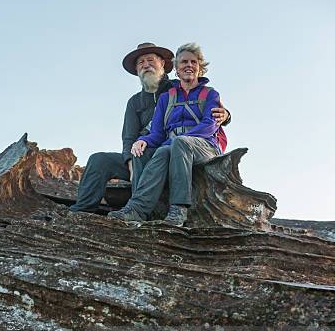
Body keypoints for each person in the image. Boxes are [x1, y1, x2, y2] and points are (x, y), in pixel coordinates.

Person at [70, 42, 230, 213]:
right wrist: (129, 160)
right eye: (140, 63)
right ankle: (82, 210)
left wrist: (226, 115)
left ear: (164, 64)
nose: (146, 65)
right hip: (148, 149)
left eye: (150, 60)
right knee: (100, 159)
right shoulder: (134, 102)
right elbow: (129, 137)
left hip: (175, 148)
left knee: (154, 152)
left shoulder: (177, 87)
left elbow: (208, 107)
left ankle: (140, 209)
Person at [108, 43, 224, 227]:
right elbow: (157, 132)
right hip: (174, 146)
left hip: (205, 147)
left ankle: (178, 209)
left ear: (200, 67)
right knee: (152, 151)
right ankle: (137, 209)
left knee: (179, 143)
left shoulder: (210, 94)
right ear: (176, 70)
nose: (189, 65)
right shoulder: (166, 97)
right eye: (184, 62)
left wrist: (177, 140)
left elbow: (209, 126)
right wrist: (142, 140)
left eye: (193, 62)